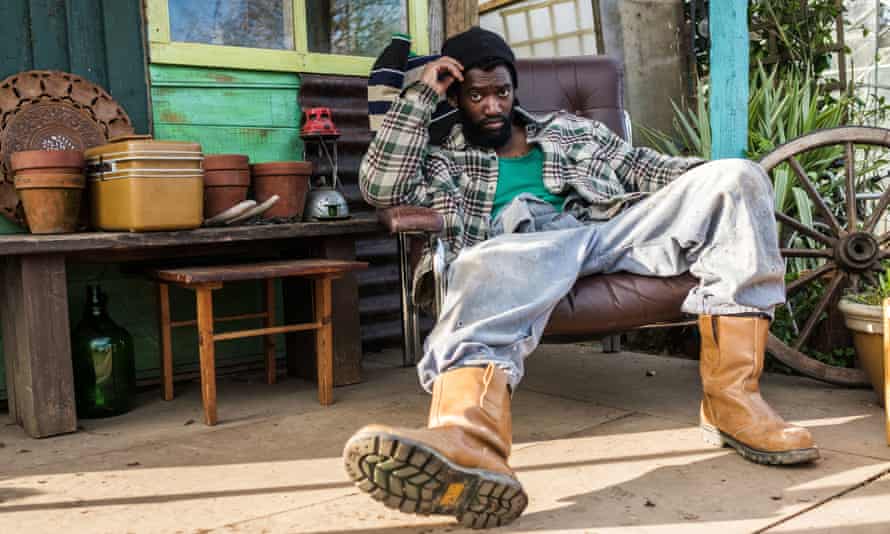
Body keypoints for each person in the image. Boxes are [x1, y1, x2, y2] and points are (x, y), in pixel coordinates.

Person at [343, 27, 819, 529]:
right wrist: (423, 92)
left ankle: (733, 403)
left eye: (501, 92)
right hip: (517, 250)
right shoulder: (443, 158)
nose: (490, 106)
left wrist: (720, 181)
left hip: (605, 233)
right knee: (482, 263)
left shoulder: (573, 131)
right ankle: (469, 440)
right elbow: (381, 188)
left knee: (737, 179)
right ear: (457, 97)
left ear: (515, 91)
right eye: (475, 95)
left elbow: (648, 169)